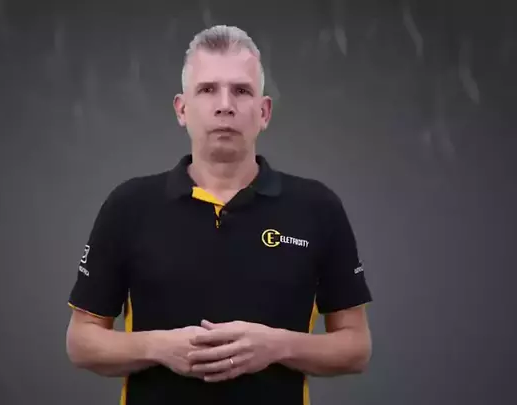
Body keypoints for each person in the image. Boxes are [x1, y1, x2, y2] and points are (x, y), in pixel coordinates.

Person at [65, 25, 373, 405]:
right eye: (208, 89)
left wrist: (277, 346)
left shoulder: (317, 207)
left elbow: (356, 346)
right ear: (182, 109)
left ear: (264, 111)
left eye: (241, 91)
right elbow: (81, 340)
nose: (225, 105)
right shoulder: (128, 205)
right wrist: (158, 347)